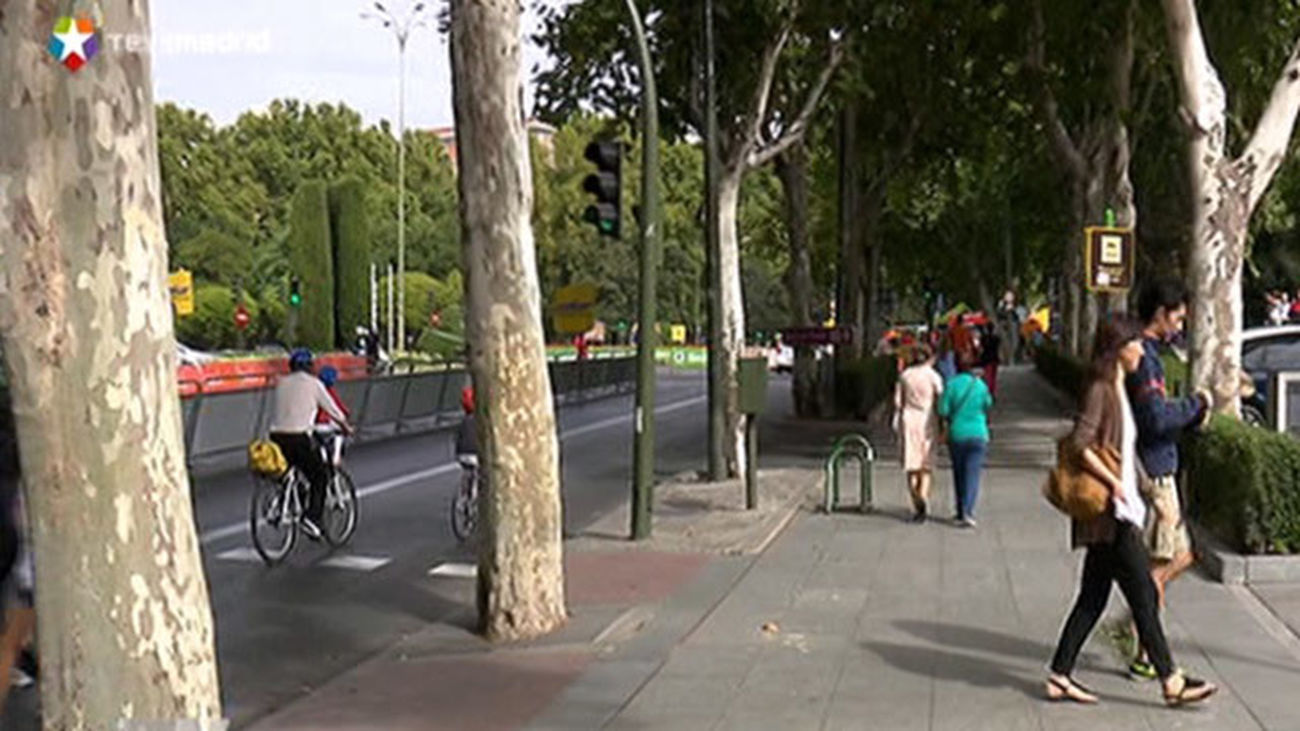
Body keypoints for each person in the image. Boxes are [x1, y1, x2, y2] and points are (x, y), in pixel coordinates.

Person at [1046, 315, 1216, 707]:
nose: (1142, 350)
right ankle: (1171, 680)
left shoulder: (1118, 388)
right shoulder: (1102, 389)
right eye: (1136, 343)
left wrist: (1143, 488)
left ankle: (1060, 674)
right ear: (1119, 348)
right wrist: (1116, 483)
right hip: (1109, 512)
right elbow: (1081, 443)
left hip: (1119, 509)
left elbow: (1124, 451)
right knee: (1142, 595)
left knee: (1092, 598)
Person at [1125, 280, 1211, 679]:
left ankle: (1139, 621)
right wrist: (1196, 406)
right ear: (1160, 312)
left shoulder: (1148, 354)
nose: (1180, 324)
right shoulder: (1146, 360)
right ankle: (1146, 650)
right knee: (1159, 565)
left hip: (1160, 466)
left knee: (1181, 556)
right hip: (1155, 471)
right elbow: (1154, 418)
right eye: (1177, 316)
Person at [269, 349, 352, 539]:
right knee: (319, 476)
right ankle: (312, 518)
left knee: (291, 471)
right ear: (310, 367)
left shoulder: (281, 383)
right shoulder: (314, 384)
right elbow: (332, 409)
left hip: (276, 436)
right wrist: (345, 426)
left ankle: (284, 502)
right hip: (299, 437)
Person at [937, 355, 993, 527]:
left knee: (959, 473)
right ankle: (968, 511)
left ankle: (960, 510)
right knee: (972, 474)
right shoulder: (980, 385)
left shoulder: (951, 385)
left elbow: (943, 410)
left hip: (957, 434)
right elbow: (988, 404)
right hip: (978, 433)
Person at [894, 345, 944, 523]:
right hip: (927, 420)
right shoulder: (932, 376)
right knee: (926, 464)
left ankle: (916, 500)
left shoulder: (905, 376)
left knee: (911, 464)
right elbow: (940, 397)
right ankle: (923, 496)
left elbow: (898, 402)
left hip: (909, 420)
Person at [315, 365, 351, 468]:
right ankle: (336, 456)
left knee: (319, 440)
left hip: (313, 424)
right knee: (340, 433)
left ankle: (323, 457)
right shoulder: (330, 392)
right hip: (325, 423)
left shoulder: (314, 390)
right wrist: (346, 413)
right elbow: (339, 407)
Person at [979, 324, 1002, 397]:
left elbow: (981, 347)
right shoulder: (996, 338)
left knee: (988, 375)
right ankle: (993, 391)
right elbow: (998, 347)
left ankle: (988, 391)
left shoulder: (984, 338)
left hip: (987, 358)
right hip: (994, 358)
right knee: (993, 376)